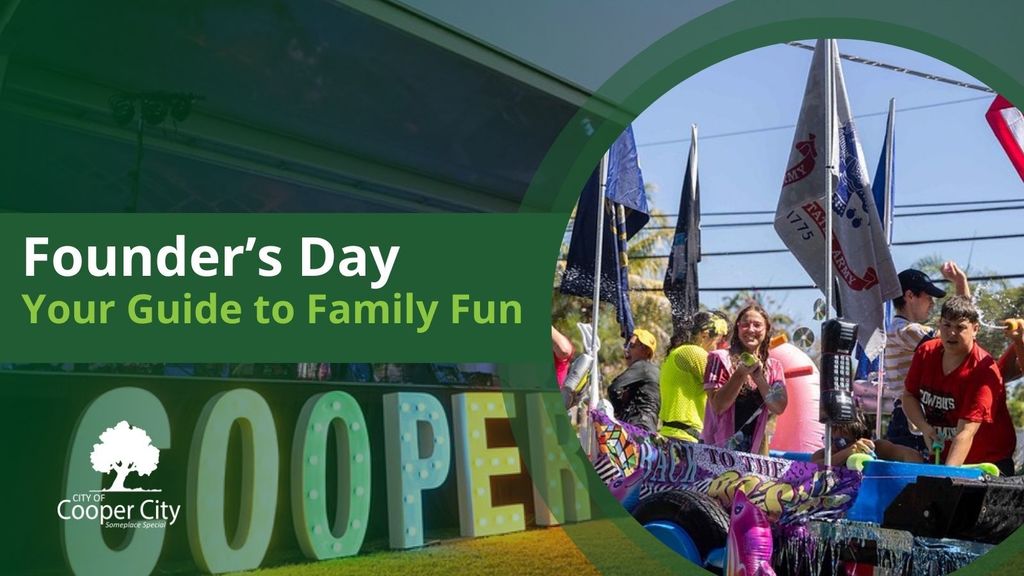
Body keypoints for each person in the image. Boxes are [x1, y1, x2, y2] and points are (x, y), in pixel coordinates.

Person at [901, 296, 1017, 476]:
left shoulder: (984, 369)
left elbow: (965, 433)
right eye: (947, 325)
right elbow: (909, 396)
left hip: (988, 466)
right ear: (939, 324)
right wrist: (924, 427)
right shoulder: (926, 352)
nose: (951, 333)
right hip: (947, 461)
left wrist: (945, 480)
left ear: (975, 329)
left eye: (960, 327)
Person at [884, 263, 970, 450]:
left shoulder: (897, 329)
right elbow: (959, 338)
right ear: (909, 296)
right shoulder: (907, 330)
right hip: (912, 420)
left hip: (905, 416)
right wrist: (961, 283)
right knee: (918, 475)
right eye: (928, 296)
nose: (932, 303)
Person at [702, 304, 787, 455]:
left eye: (757, 325)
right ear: (738, 328)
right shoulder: (719, 358)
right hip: (716, 451)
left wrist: (759, 378)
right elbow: (718, 406)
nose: (751, 329)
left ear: (766, 330)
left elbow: (778, 407)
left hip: (754, 452)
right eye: (745, 325)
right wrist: (740, 374)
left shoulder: (774, 367)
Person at [658, 311, 728, 442]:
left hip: (675, 434)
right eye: (718, 342)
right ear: (704, 335)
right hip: (685, 437)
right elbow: (726, 387)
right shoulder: (693, 352)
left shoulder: (678, 352)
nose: (720, 348)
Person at [811, 406, 924, 466]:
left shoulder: (878, 448)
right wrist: (848, 452)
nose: (833, 446)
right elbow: (815, 468)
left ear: (861, 440)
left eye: (841, 442)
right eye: (829, 440)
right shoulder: (823, 455)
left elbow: (913, 456)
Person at [607, 328, 661, 433]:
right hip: (649, 428)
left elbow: (613, 388)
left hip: (637, 426)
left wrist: (618, 411)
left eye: (631, 346)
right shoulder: (655, 371)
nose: (627, 350)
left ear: (645, 351)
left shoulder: (642, 366)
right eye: (626, 346)